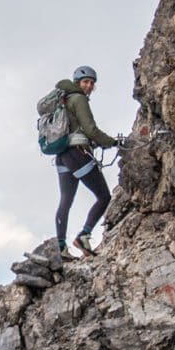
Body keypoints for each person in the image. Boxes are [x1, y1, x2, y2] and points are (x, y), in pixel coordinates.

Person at [54, 65, 120, 259]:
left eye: (92, 83)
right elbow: (90, 129)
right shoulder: (79, 99)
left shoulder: (63, 100)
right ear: (78, 83)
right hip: (78, 153)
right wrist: (112, 142)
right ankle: (84, 235)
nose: (89, 86)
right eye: (86, 82)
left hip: (62, 155)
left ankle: (60, 248)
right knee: (104, 197)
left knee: (65, 201)